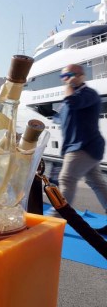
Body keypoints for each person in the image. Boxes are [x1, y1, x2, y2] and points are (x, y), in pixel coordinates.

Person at [54, 64, 107, 233]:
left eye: (69, 75)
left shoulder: (88, 94)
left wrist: (69, 86)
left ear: (81, 76)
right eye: (63, 77)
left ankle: (56, 219)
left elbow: (73, 102)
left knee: (66, 179)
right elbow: (58, 118)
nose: (66, 79)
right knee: (96, 182)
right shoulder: (71, 98)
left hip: (84, 146)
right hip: (79, 147)